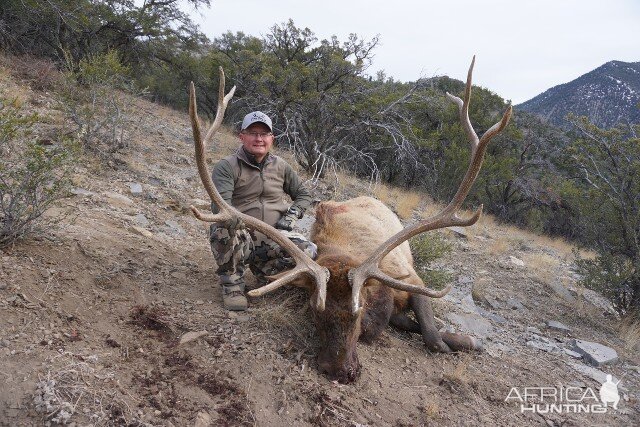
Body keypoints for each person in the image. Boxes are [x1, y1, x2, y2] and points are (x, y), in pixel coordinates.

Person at [209, 111, 317, 311]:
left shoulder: (281, 166)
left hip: (273, 237)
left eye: (264, 134)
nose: (259, 138)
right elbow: (220, 204)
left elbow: (303, 195)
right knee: (223, 230)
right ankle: (232, 285)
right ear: (242, 136)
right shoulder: (227, 166)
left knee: (309, 250)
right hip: (242, 235)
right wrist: (233, 218)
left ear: (271, 139)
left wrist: (293, 215)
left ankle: (266, 273)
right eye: (253, 133)